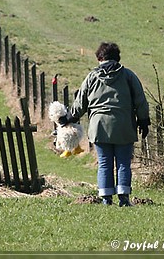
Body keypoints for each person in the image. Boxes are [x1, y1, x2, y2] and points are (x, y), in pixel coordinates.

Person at [66, 42, 150, 206]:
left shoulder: (92, 77)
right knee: (123, 163)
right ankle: (124, 198)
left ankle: (106, 198)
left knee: (104, 163)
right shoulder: (128, 75)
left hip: (99, 127)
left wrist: (70, 118)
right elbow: (140, 100)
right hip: (124, 126)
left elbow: (80, 102)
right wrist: (144, 121)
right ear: (117, 58)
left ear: (99, 58)